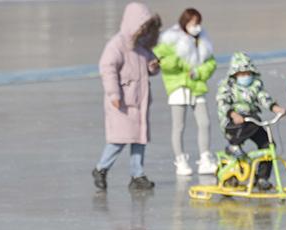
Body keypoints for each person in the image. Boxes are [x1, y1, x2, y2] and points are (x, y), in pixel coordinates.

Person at [92, 2, 161, 193]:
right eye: (141, 26)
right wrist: (114, 93)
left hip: (140, 101)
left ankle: (137, 175)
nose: (143, 30)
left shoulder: (141, 45)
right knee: (119, 139)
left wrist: (153, 67)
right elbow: (107, 69)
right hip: (121, 102)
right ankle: (101, 168)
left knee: (139, 138)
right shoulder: (116, 45)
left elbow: (150, 64)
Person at [153, 7, 217, 176]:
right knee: (178, 126)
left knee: (204, 122)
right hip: (178, 86)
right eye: (193, 23)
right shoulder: (171, 39)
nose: (196, 27)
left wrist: (198, 72)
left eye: (198, 23)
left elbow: (211, 63)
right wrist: (181, 62)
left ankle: (205, 158)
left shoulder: (203, 40)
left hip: (197, 86)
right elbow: (162, 60)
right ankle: (180, 160)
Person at [216, 52, 286, 190]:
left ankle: (262, 178)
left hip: (252, 122)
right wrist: (233, 114)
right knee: (252, 121)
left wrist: (275, 108)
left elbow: (263, 97)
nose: (246, 76)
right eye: (242, 74)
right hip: (233, 123)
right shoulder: (227, 86)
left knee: (268, 144)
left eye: (248, 73)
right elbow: (222, 102)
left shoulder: (255, 84)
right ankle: (234, 145)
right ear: (235, 74)